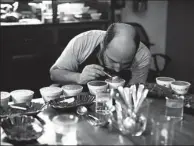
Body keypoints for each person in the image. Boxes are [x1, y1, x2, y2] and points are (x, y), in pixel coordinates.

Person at [50, 23, 151, 88]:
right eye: (112, 61)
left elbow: (135, 91)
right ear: (103, 44)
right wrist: (78, 77)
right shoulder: (83, 41)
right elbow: (54, 74)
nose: (117, 69)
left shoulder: (142, 55)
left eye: (126, 64)